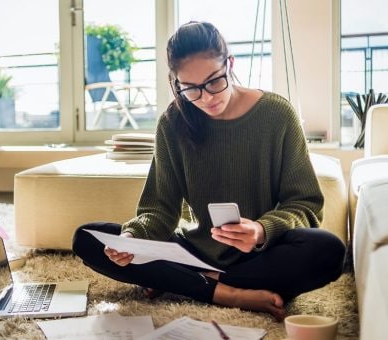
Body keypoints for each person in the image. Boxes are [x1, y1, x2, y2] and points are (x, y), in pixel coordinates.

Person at [72, 21, 345, 321]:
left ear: (229, 64)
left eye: (215, 81)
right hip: (192, 250)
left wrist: (261, 231)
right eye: (190, 89)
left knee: (328, 250)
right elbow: (160, 209)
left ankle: (187, 282)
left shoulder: (278, 115)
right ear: (176, 83)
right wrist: (133, 237)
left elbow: (305, 204)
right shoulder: (172, 123)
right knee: (87, 238)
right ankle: (226, 293)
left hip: (258, 256)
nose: (207, 97)